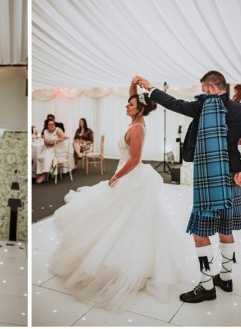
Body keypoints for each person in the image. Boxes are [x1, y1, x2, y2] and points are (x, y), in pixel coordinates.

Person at [49, 78, 188, 309]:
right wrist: (134, 85)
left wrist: (115, 178)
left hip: (129, 177)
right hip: (128, 175)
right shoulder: (137, 118)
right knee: (117, 218)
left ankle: (127, 265)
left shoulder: (136, 128)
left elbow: (134, 160)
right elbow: (133, 99)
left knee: (125, 221)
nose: (126, 106)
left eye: (130, 105)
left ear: (139, 109)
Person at [137, 71, 241, 303]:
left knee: (199, 231)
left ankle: (206, 286)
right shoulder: (239, 109)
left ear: (212, 88)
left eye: (204, 89)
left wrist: (150, 88)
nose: (202, 94)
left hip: (209, 178)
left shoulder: (203, 107)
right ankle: (225, 277)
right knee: (226, 228)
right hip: (232, 177)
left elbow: (173, 103)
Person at [35, 118, 66, 183]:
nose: (52, 125)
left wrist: (54, 142)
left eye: (53, 124)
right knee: (39, 157)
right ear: (47, 125)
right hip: (48, 148)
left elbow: (64, 137)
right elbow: (45, 141)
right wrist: (47, 143)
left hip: (57, 148)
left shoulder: (58, 130)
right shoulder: (45, 131)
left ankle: (44, 175)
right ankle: (41, 172)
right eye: (50, 124)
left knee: (47, 157)